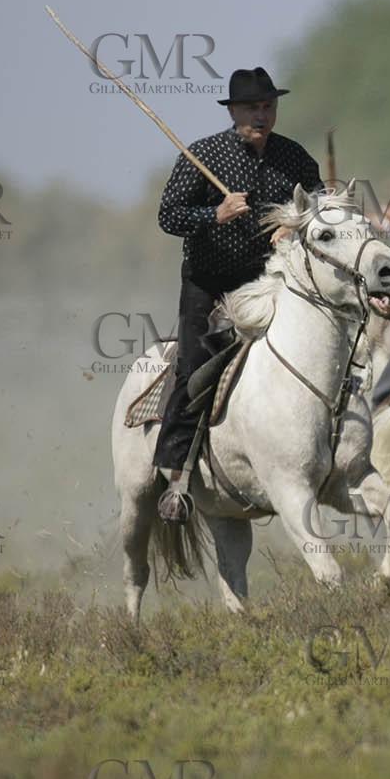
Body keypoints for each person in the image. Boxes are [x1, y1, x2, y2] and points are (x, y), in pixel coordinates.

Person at [152, 67, 323, 521]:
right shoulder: (204, 154)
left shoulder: (296, 159)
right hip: (208, 282)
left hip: (269, 282)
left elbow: (319, 207)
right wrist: (216, 213)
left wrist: (294, 225)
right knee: (192, 366)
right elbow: (169, 216)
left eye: (268, 107)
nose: (261, 115)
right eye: (252, 108)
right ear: (234, 112)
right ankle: (176, 479)